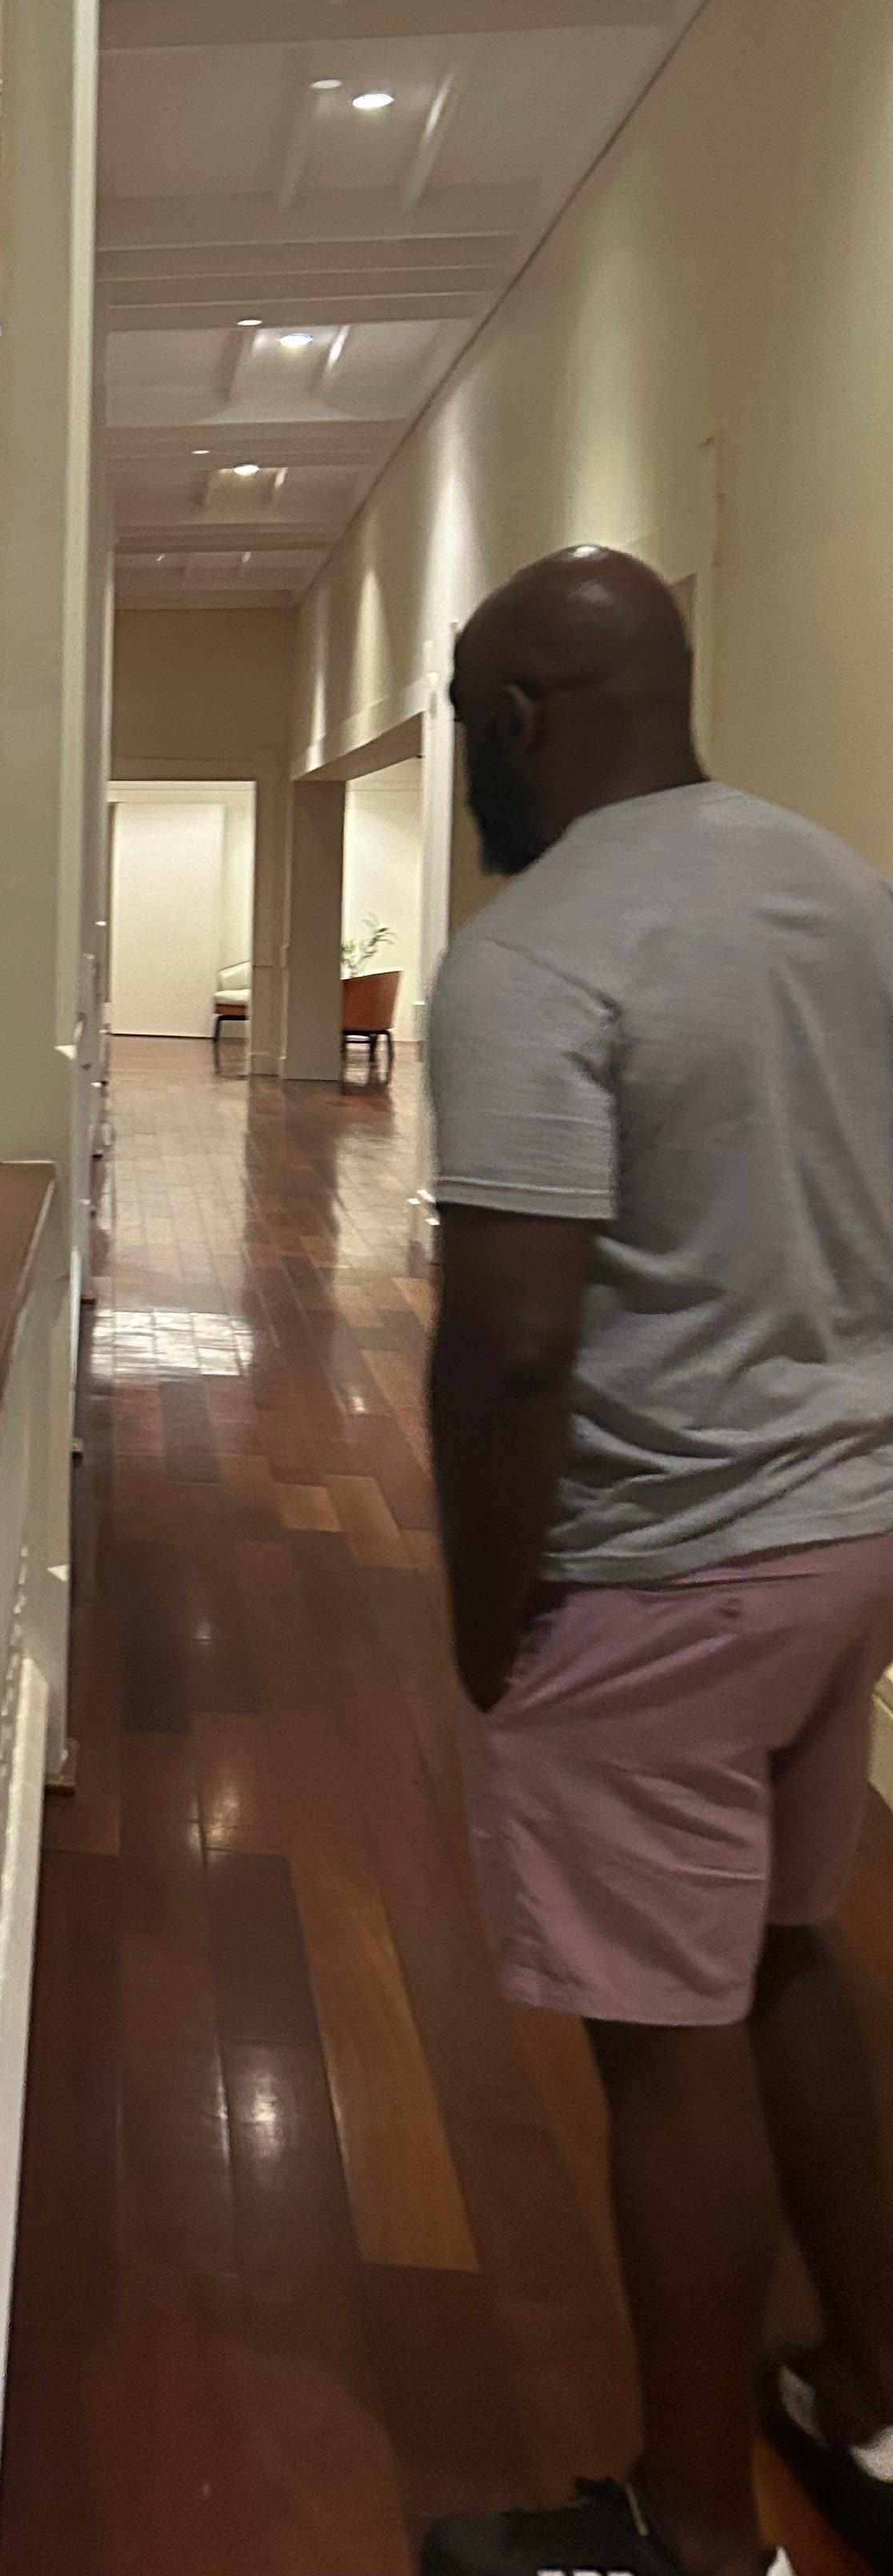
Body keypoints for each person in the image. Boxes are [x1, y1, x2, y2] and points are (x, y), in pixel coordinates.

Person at [418, 546, 893, 2576]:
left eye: (461, 718)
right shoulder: (840, 891)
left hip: (661, 1564)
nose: (465, 762)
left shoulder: (539, 960)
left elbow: (517, 1336)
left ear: (518, 717)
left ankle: (696, 2534)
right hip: (844, 1535)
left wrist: (483, 1607)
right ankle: (872, 2412)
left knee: (660, 2039)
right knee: (788, 1955)